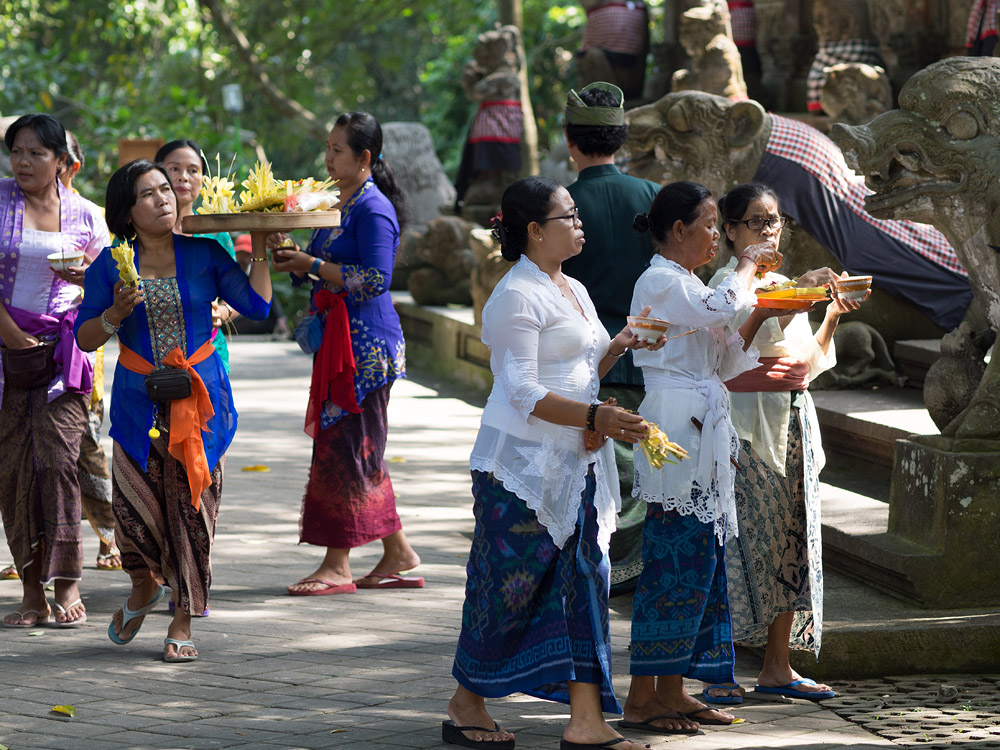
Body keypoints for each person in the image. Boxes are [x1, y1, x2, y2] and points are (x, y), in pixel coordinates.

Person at [446, 176, 655, 750]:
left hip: (576, 461)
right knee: (508, 589)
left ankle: (585, 718)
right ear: (535, 231)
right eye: (569, 216)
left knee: (586, 580)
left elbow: (582, 365)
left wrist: (622, 345)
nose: (579, 223)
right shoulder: (517, 294)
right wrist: (594, 419)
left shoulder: (574, 288)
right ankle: (467, 700)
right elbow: (523, 391)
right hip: (519, 467)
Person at [74, 158, 272, 661]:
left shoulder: (204, 253)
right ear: (127, 210)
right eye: (148, 193)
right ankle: (142, 587)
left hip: (200, 404)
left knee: (190, 516)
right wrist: (116, 313)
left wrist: (263, 250)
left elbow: (258, 307)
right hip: (139, 407)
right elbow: (83, 337)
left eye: (166, 188)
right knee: (132, 516)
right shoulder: (112, 264)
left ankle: (182, 620)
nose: (164, 197)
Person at [623, 181, 792, 734]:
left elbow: (723, 359)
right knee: (673, 556)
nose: (718, 236)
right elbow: (722, 303)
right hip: (675, 422)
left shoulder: (685, 283)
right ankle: (642, 697)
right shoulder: (661, 279)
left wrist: (764, 312)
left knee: (700, 560)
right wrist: (748, 266)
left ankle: (672, 689)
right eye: (712, 225)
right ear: (679, 231)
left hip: (701, 413)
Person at [701, 182, 865, 703]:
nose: (768, 229)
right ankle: (718, 670)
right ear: (729, 231)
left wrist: (832, 313)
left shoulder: (786, 286)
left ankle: (778, 665)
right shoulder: (726, 285)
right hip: (743, 424)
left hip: (793, 418)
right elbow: (732, 349)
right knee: (739, 540)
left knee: (793, 539)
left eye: (774, 220)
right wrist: (793, 296)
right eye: (755, 221)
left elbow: (806, 365)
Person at [266, 112, 418, 595]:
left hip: (366, 349)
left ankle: (338, 564)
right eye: (327, 148)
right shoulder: (337, 201)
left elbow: (375, 280)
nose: (327, 157)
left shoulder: (373, 209)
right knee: (359, 447)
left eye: (337, 150)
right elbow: (322, 269)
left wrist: (311, 262)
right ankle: (398, 553)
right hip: (339, 342)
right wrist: (292, 256)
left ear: (364, 158)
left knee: (349, 448)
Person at [0, 113, 109, 627]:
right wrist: (9, 334)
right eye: (16, 151)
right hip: (5, 354)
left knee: (61, 462)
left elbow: (106, 285)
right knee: (14, 467)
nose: (22, 162)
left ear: (62, 162)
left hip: (64, 357)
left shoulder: (88, 215)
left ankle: (66, 584)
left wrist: (88, 281)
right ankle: (30, 592)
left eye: (35, 153)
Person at [561, 81, 661, 596]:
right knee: (642, 459)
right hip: (649, 352)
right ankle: (632, 567)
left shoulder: (562, 206)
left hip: (587, 358)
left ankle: (602, 566)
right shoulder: (651, 198)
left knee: (599, 463)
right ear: (621, 138)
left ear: (568, 138)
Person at [63, 129, 122, 574]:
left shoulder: (92, 217)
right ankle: (39, 546)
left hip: (82, 348)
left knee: (87, 443)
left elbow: (116, 286)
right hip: (19, 346)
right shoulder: (11, 213)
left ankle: (108, 537)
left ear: (70, 166)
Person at [155, 138, 239, 372]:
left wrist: (222, 312)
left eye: (193, 170)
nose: (183, 176)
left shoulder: (217, 236)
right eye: (174, 169)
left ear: (203, 180)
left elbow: (240, 295)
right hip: (151, 362)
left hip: (209, 360)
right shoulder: (136, 234)